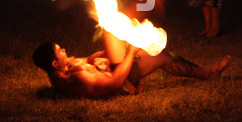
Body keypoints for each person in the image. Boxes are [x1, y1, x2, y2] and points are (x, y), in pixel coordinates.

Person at [33, 30, 231, 99]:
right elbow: (115, 83)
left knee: (108, 33)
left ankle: (208, 74)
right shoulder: (78, 80)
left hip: (111, 68)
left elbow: (88, 59)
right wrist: (130, 51)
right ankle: (209, 74)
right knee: (160, 56)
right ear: (54, 62)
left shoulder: (60, 71)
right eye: (60, 51)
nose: (64, 50)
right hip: (121, 84)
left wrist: (109, 53)